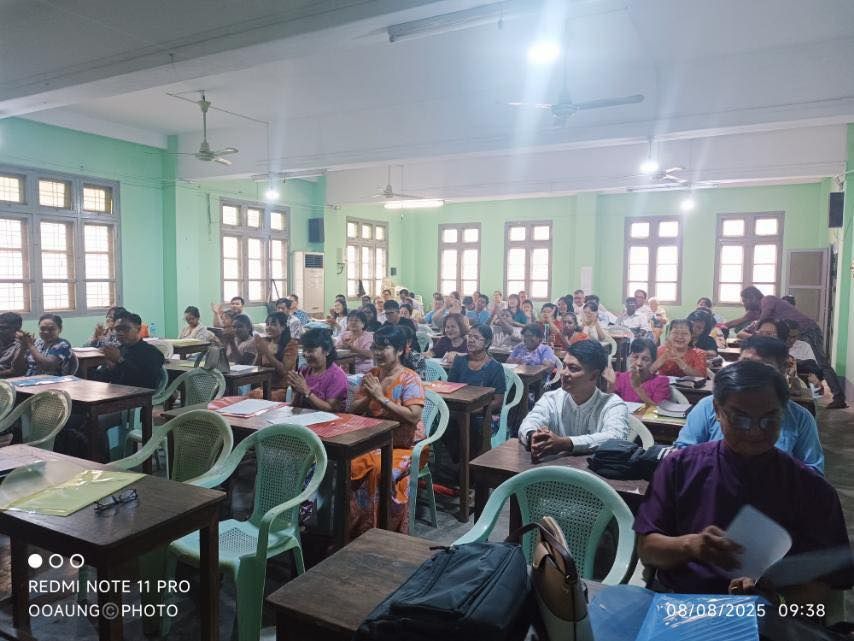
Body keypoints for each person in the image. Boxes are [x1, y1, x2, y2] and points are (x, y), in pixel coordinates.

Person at [635, 360, 852, 599]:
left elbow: (827, 581)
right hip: (683, 602)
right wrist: (691, 546)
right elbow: (647, 549)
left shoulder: (811, 489)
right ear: (717, 411)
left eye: (770, 419)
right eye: (740, 419)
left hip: (771, 617)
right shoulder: (680, 467)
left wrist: (777, 601)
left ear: (784, 412)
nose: (755, 431)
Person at [675, 335, 823, 472]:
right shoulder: (709, 406)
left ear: (783, 370)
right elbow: (683, 453)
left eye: (763, 367)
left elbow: (813, 471)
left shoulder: (800, 418)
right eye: (745, 364)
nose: (750, 373)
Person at [349, 325, 425, 537]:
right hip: (372, 440)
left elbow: (413, 415)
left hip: (402, 444)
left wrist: (381, 397)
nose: (378, 352)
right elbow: (353, 410)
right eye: (375, 347)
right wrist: (370, 396)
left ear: (400, 350)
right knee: (343, 463)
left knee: (376, 470)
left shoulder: (410, 378)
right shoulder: (372, 375)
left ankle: (375, 531)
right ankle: (347, 529)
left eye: (384, 347)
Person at [727, 286, 846, 408]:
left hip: (808, 330)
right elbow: (740, 321)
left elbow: (764, 319)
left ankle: (838, 397)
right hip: (796, 333)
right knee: (787, 361)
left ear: (752, 297)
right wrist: (722, 326)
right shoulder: (757, 311)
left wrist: (758, 334)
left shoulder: (767, 300)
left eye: (744, 300)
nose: (743, 303)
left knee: (821, 364)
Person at [519, 340, 629, 458]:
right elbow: (530, 421)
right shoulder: (551, 399)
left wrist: (566, 443)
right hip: (555, 472)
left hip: (594, 474)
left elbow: (615, 437)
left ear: (594, 375)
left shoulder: (612, 405)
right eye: (564, 366)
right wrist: (533, 435)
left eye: (573, 368)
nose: (564, 373)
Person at [448, 324, 506, 444]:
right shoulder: (459, 361)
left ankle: (468, 461)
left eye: (476, 337)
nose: (471, 340)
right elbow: (450, 388)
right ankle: (450, 461)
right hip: (458, 410)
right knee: (442, 423)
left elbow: (498, 401)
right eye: (469, 336)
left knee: (473, 426)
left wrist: (473, 410)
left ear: (487, 343)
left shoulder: (495, 367)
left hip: (482, 414)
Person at [90, 313, 165, 388]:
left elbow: (146, 381)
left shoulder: (151, 352)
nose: (120, 333)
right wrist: (108, 367)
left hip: (139, 396)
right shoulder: (118, 350)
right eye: (117, 329)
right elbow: (103, 379)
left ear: (138, 329)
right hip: (116, 393)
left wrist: (119, 360)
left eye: (125, 329)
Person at [288, 328, 348, 412]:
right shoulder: (304, 370)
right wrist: (296, 391)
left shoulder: (337, 376)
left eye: (310, 351)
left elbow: (331, 409)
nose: (305, 354)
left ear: (326, 351)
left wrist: (307, 392)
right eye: (304, 350)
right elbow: (295, 405)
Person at [605, 338, 670, 405]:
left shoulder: (661, 382)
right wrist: (611, 385)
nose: (639, 363)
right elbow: (610, 406)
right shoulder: (619, 378)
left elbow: (659, 411)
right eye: (635, 357)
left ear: (653, 362)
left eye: (645, 359)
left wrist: (637, 388)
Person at [251, 312, 298, 401]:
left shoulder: (291, 345)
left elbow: (284, 371)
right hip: (264, 387)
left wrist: (266, 352)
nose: (268, 327)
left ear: (283, 327)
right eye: (267, 324)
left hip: (282, 389)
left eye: (273, 324)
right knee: (246, 400)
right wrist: (259, 352)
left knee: (260, 399)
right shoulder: (265, 342)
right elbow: (254, 368)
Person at [335, 310, 374, 374]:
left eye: (356, 320)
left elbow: (370, 354)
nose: (353, 323)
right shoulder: (343, 335)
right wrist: (342, 346)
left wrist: (352, 348)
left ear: (363, 324)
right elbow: (335, 348)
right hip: (345, 370)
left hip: (363, 371)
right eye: (350, 320)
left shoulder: (368, 336)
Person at [0, 312, 26, 378]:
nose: (0, 331)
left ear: (17, 329)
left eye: (4, 328)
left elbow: (16, 371)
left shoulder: (21, 345)